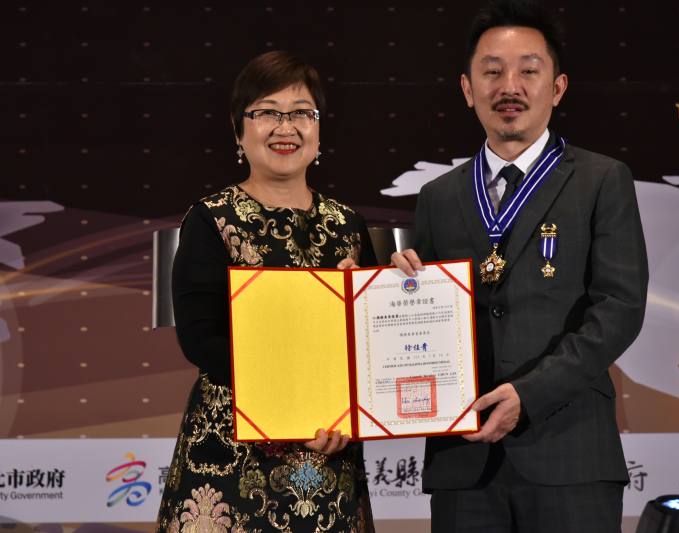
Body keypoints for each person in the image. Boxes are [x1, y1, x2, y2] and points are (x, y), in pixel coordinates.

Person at [391, 1, 648, 531]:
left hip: (569, 454)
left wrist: (528, 395)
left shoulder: (602, 180)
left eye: (529, 70)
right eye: (492, 71)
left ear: (557, 88)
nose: (510, 85)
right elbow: (433, 322)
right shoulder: (438, 197)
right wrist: (401, 292)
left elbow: (619, 308)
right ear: (467, 89)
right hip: (464, 460)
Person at [157, 51, 375, 533]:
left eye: (301, 112)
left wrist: (393, 289)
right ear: (239, 131)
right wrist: (300, 403)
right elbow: (201, 340)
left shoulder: (349, 227)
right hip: (229, 461)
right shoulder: (211, 220)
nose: (286, 126)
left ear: (318, 131)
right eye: (267, 112)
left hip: (328, 454)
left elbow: (375, 344)